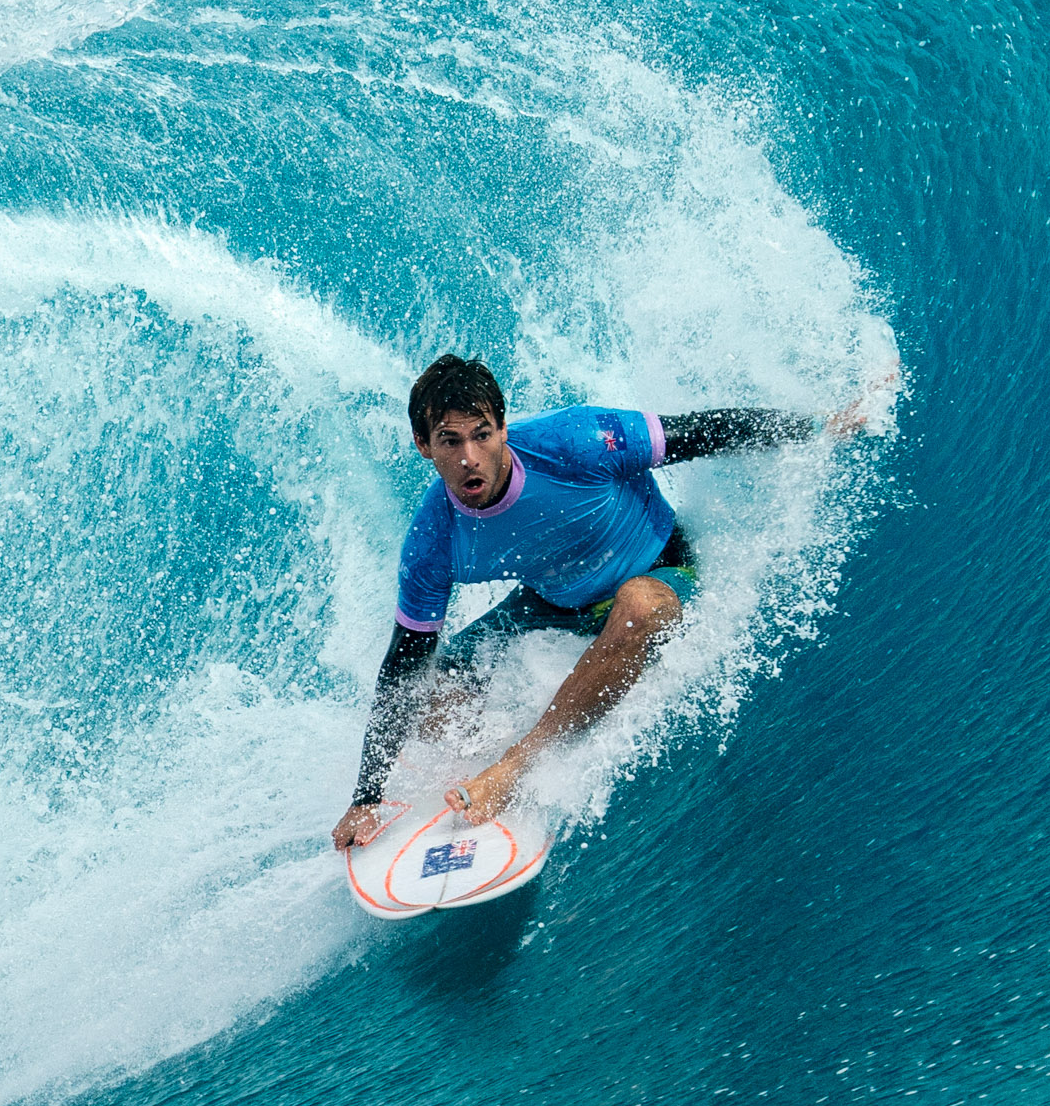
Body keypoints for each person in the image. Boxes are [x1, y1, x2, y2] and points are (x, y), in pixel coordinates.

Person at [332, 352, 886, 852]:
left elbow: (705, 433)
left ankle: (513, 769)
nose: (470, 458)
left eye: (482, 434)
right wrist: (367, 794)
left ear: (504, 427)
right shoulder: (433, 538)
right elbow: (403, 665)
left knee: (640, 608)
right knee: (430, 697)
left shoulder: (577, 441)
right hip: (552, 603)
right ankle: (466, 784)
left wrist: (821, 426)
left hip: (655, 568)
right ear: (423, 447)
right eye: (450, 442)